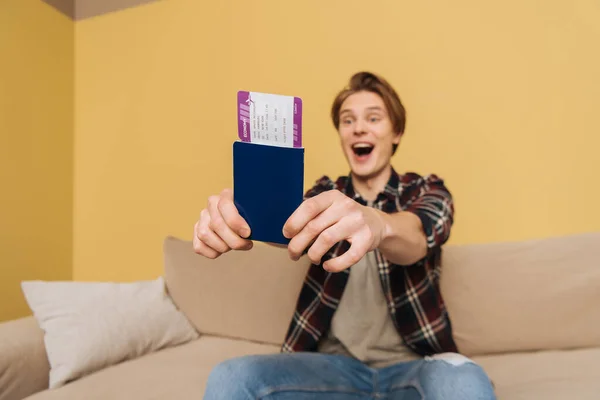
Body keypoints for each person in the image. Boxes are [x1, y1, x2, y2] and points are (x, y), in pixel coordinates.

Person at [194, 72, 496, 399]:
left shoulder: (427, 190)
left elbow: (419, 236)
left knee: (465, 379)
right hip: (331, 372)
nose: (358, 128)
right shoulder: (325, 193)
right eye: (347, 120)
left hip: (415, 367)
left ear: (396, 132)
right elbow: (289, 227)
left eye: (373, 118)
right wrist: (239, 216)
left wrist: (379, 225)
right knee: (231, 378)